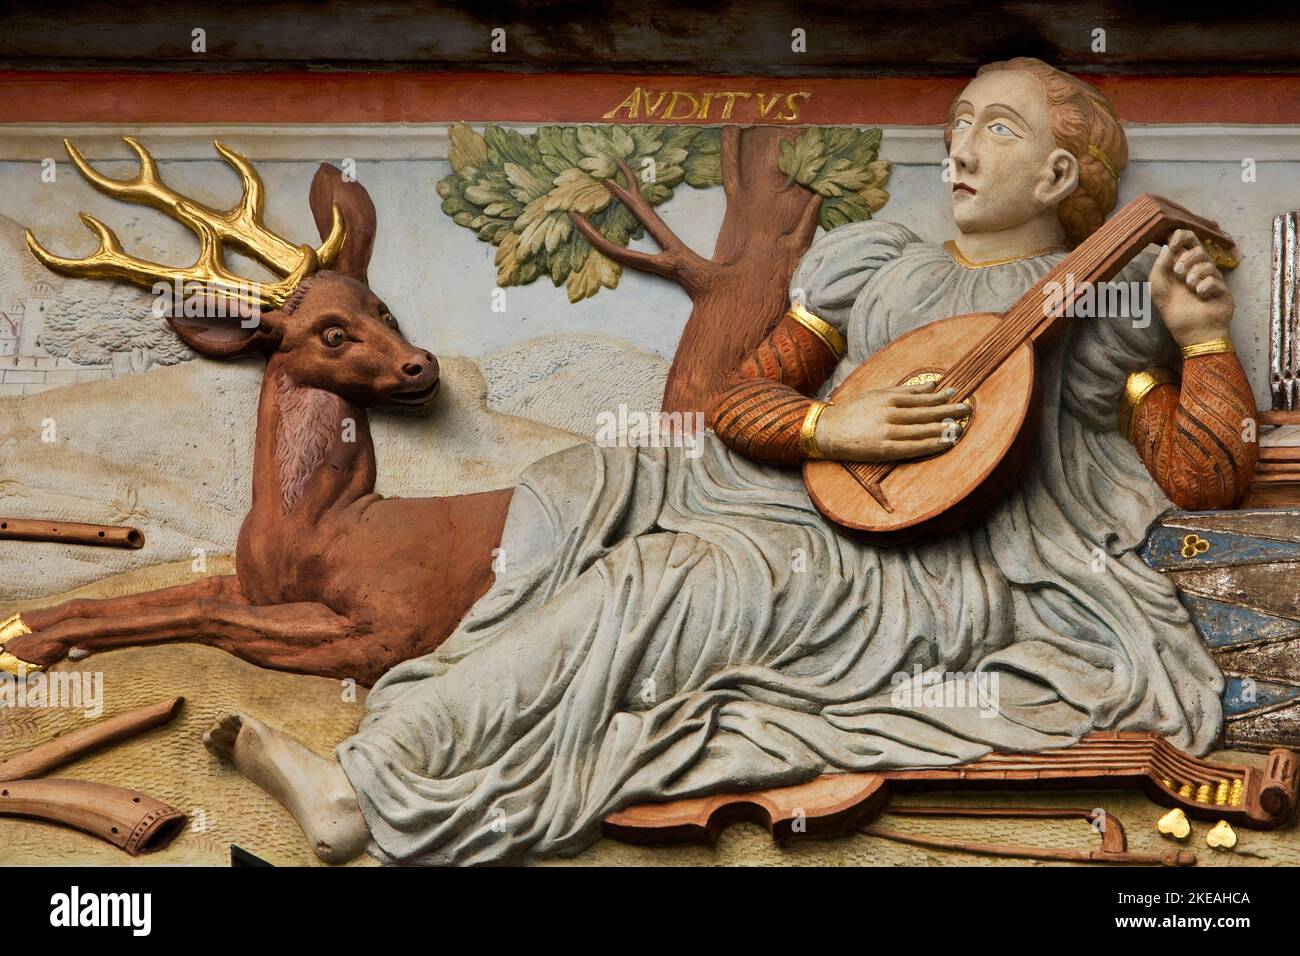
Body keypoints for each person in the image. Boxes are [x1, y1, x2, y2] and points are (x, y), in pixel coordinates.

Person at [205, 57, 1257, 865]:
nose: (957, 149)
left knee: (660, 583)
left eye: (994, 126)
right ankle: (376, 772)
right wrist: (828, 430)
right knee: (610, 555)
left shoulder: (1094, 307)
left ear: (1060, 171)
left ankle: (371, 779)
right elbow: (742, 401)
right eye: (954, 125)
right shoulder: (873, 265)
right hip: (808, 510)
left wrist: (1202, 336)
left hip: (957, 574)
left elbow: (1199, 474)